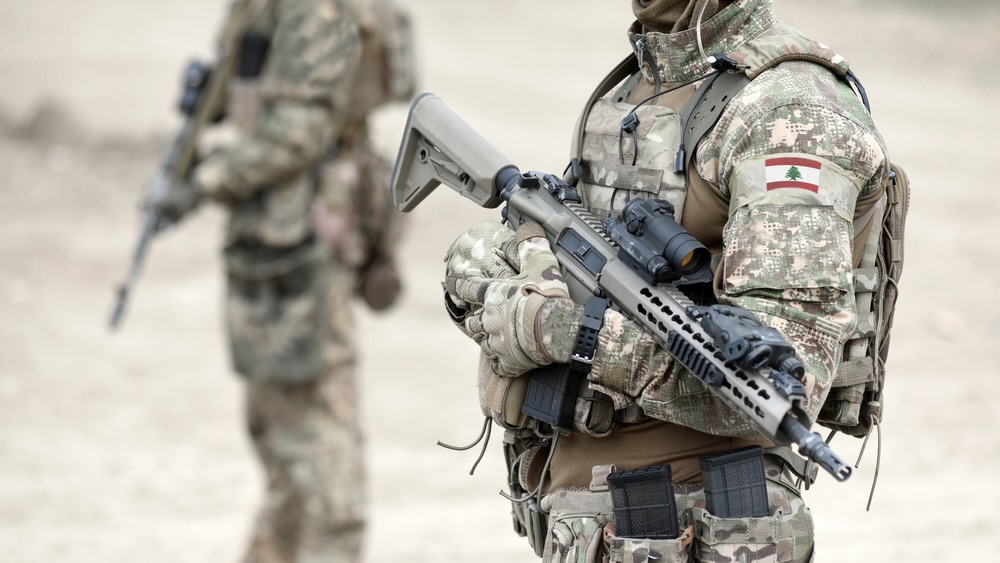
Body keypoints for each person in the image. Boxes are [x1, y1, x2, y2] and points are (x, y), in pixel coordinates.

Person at [443, 0, 894, 561]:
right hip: (586, 523)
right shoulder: (641, 84)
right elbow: (562, 242)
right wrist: (502, 263)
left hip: (701, 524)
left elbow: (787, 378)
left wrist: (562, 330)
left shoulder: (790, 112)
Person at [149, 0, 415, 561]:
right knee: (280, 438)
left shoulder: (315, 9)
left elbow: (297, 133)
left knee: (318, 443)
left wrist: (203, 182)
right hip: (275, 235)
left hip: (303, 240)